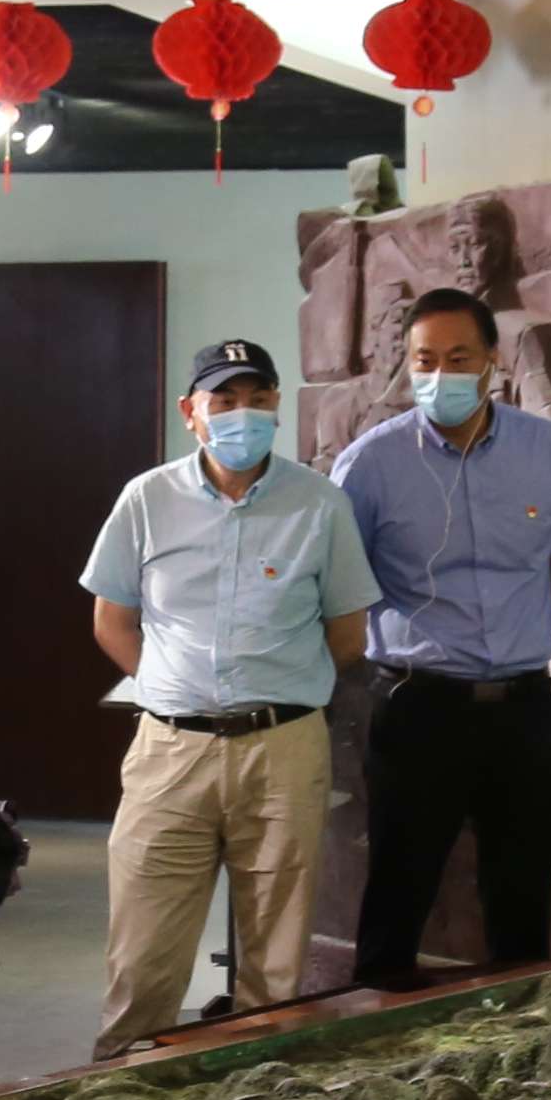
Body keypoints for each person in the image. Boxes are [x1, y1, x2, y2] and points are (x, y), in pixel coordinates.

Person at [78, 337, 377, 1056]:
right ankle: (122, 1092)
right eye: (225, 400)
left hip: (283, 749)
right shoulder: (148, 499)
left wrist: (276, 687)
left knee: (275, 963)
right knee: (143, 956)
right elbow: (111, 620)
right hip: (171, 751)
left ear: (277, 405)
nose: (244, 414)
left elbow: (347, 633)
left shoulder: (320, 503)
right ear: (191, 412)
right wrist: (172, 686)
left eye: (258, 398)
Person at [332, 285, 551, 991]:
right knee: (398, 894)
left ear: (492, 361)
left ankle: (524, 1038)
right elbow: (339, 588)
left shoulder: (546, 449)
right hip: (419, 708)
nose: (440, 374)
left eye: (458, 357)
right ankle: (380, 1032)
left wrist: (542, 639)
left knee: (523, 902)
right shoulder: (369, 464)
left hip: (525, 708)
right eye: (425, 360)